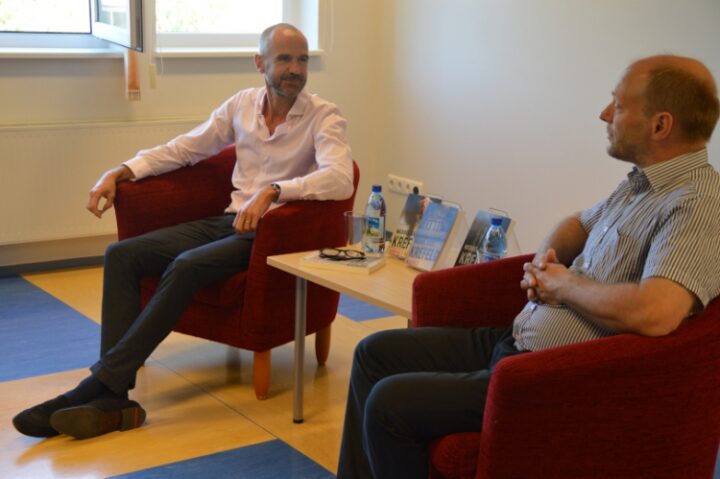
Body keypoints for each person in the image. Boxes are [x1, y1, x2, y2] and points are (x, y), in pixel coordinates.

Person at [336, 54, 720, 479]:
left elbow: (657, 312)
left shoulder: (697, 203)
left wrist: (564, 286)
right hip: (515, 343)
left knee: (391, 404)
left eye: (619, 105)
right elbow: (577, 223)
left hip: (552, 380)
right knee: (374, 352)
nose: (605, 114)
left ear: (660, 125)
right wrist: (543, 263)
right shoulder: (641, 184)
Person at [13, 23, 353, 440]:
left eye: (302, 59)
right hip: (229, 221)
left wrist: (276, 191)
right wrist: (119, 171)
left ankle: (98, 388)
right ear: (260, 62)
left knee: (187, 266)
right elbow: (187, 148)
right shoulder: (242, 105)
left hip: (273, 234)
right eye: (284, 59)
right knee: (122, 255)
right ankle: (112, 397)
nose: (295, 69)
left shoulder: (324, 115)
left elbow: (341, 179)